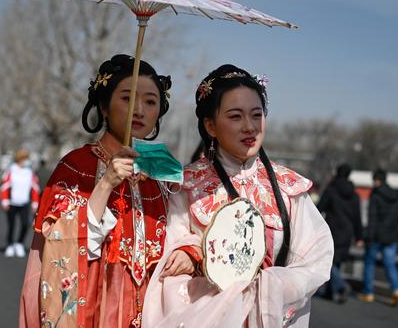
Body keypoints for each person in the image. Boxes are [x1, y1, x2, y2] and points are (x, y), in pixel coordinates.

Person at [142, 65, 333, 327]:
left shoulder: (288, 188)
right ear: (210, 125)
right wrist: (194, 252)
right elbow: (167, 260)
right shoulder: (185, 186)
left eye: (257, 115)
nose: (249, 127)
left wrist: (271, 288)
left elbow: (316, 258)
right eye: (235, 117)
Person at [18, 54, 173, 328]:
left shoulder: (162, 174)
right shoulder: (76, 166)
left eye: (150, 102)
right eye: (127, 98)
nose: (139, 110)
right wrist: (106, 184)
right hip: (94, 309)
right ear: (103, 106)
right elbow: (60, 244)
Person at [316, 163, 363, 304]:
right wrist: (359, 236)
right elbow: (357, 217)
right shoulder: (355, 195)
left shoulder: (331, 190)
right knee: (336, 262)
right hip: (347, 233)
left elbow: (319, 209)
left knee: (327, 261)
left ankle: (341, 286)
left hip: (332, 230)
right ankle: (330, 292)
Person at [360, 168, 398, 306]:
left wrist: (368, 237)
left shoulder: (375, 194)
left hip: (376, 236)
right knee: (390, 264)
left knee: (369, 264)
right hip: (391, 236)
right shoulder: (396, 195)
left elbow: (372, 218)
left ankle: (369, 293)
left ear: (376, 180)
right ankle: (397, 290)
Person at [0, 148, 40, 258]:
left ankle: (19, 243)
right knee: (11, 225)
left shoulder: (30, 173)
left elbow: (35, 188)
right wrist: (5, 200)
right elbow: (4, 186)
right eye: (24, 159)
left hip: (24, 203)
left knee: (25, 224)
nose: (26, 161)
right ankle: (10, 244)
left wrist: (35, 202)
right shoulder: (11, 171)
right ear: (19, 159)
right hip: (12, 203)